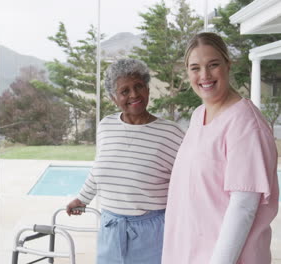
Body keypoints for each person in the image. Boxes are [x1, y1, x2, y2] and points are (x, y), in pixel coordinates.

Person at [162, 32, 279, 264]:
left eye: (213, 65)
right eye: (195, 68)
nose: (204, 75)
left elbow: (243, 207)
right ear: (187, 72)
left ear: (228, 64)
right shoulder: (198, 116)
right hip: (189, 252)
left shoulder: (245, 123)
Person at [66, 58, 185, 264]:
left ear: (147, 89)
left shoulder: (171, 133)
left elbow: (186, 183)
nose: (134, 95)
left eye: (139, 86)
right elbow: (99, 169)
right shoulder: (106, 126)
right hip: (111, 228)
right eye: (125, 91)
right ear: (114, 98)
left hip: (153, 232)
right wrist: (82, 199)